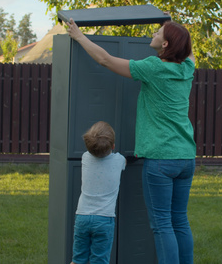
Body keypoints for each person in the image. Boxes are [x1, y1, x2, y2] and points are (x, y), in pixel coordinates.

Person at [66, 18, 196, 264]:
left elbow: (105, 60)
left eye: (158, 32)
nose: (154, 32)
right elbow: (189, 52)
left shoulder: (153, 68)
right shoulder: (186, 69)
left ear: (166, 43)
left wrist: (80, 36)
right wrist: (173, 27)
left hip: (161, 158)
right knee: (179, 219)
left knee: (162, 225)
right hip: (186, 157)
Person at [71, 121, 126, 264]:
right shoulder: (119, 160)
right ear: (113, 146)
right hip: (104, 219)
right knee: (99, 260)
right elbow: (124, 162)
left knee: (78, 259)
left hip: (82, 216)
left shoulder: (85, 158)